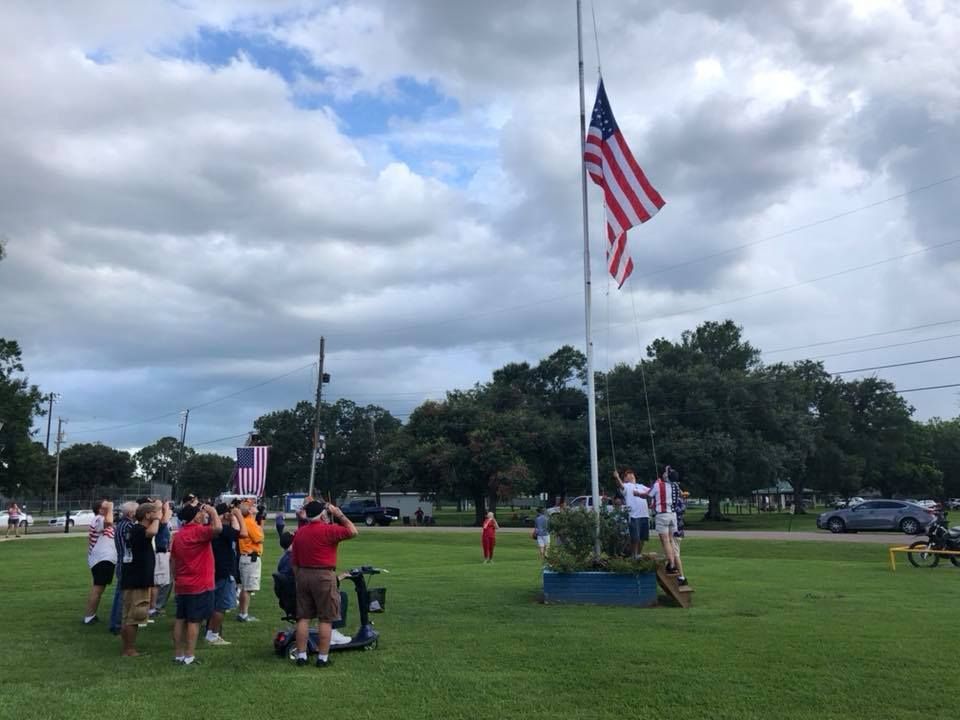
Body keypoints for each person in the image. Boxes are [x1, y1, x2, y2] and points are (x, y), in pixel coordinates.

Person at [290, 500, 358, 668]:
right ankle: (322, 658)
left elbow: (294, 562)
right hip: (323, 575)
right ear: (322, 514)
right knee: (326, 619)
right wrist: (338, 513)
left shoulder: (300, 533)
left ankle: (301, 655)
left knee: (303, 617)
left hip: (303, 574)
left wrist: (300, 576)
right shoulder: (328, 530)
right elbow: (353, 531)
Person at [170, 502, 222, 665]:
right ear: (195, 516)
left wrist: (175, 578)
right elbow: (218, 529)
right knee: (194, 620)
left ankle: (178, 654)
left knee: (180, 619)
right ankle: (189, 655)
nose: (203, 515)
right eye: (200, 513)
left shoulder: (178, 535)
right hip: (199, 583)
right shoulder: (198, 531)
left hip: (183, 582)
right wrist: (213, 512)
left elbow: (173, 560)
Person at [120, 502, 161, 656]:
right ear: (147, 515)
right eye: (154, 513)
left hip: (133, 577)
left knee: (129, 615)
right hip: (138, 579)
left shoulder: (134, 529)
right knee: (134, 616)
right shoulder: (139, 529)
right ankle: (129, 649)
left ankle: (128, 648)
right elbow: (152, 532)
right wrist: (157, 519)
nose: (157, 515)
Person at [206, 502, 247, 646]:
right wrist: (239, 515)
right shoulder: (223, 529)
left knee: (214, 604)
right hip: (224, 571)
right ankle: (214, 634)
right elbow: (243, 533)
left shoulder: (211, 528)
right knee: (221, 606)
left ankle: (210, 632)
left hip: (213, 570)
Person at [648, 466, 688, 586]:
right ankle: (675, 570)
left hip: (668, 520)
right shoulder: (676, 487)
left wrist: (658, 482)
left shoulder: (662, 486)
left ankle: (678, 573)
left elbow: (649, 494)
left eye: (666, 473)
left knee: (673, 550)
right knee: (670, 546)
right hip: (674, 521)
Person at [83, 500, 116, 624]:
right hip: (102, 559)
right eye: (105, 506)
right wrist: (110, 508)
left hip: (103, 559)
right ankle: (89, 616)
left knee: (98, 589)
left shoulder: (100, 519)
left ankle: (91, 615)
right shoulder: (99, 519)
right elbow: (109, 522)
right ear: (100, 509)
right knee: (98, 589)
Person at [109, 501, 138, 634]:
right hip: (126, 564)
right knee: (123, 595)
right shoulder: (129, 526)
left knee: (119, 594)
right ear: (132, 513)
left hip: (121, 562)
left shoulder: (120, 524)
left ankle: (115, 622)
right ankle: (117, 624)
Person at [236, 499, 264, 622]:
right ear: (249, 510)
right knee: (248, 588)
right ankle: (244, 614)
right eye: (253, 506)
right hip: (250, 557)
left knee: (245, 587)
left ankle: (243, 613)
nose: (256, 507)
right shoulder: (249, 522)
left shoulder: (248, 522)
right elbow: (259, 538)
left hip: (246, 557)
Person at [613, 468, 651, 559]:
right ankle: (634, 555)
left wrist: (658, 483)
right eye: (627, 474)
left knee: (642, 537)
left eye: (631, 473)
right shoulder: (626, 486)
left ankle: (639, 554)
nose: (630, 475)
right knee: (635, 537)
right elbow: (620, 485)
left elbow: (652, 491)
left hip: (644, 514)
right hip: (634, 515)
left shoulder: (641, 486)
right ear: (624, 479)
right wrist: (617, 477)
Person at [149, 500, 173, 619]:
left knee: (163, 582)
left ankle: (155, 606)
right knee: (157, 583)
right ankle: (153, 608)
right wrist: (166, 508)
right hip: (159, 552)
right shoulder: (157, 519)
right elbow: (164, 521)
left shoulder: (160, 518)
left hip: (164, 551)